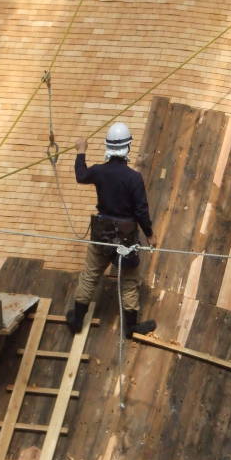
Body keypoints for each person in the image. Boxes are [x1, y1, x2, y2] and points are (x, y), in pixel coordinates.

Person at [66, 122, 158, 337]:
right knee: (128, 281)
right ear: (128, 148)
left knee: (90, 275)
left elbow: (81, 176)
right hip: (125, 238)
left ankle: (77, 321)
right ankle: (131, 327)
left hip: (101, 234)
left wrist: (81, 151)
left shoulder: (99, 172)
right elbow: (141, 210)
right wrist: (150, 234)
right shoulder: (133, 178)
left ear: (108, 146)